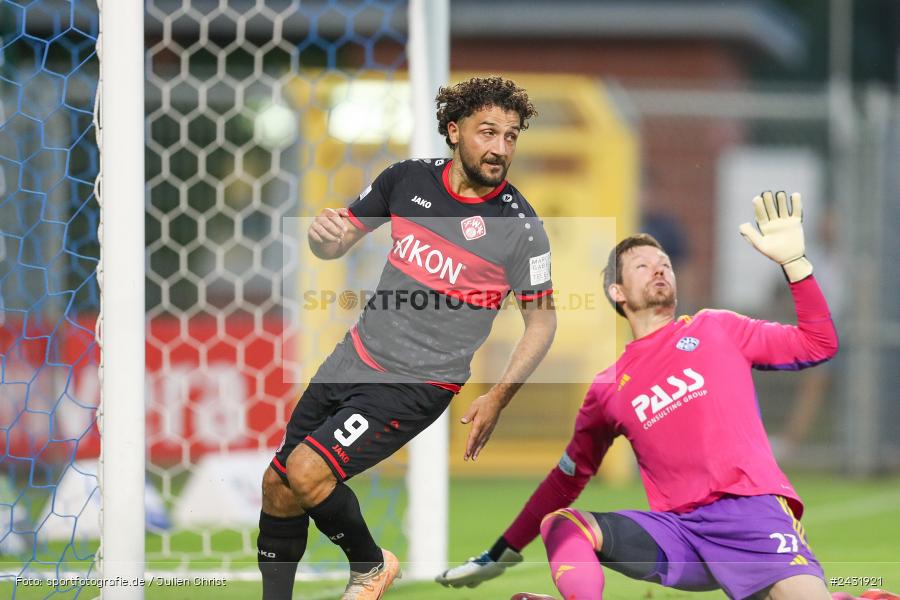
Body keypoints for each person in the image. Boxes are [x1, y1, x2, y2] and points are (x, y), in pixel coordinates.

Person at [437, 192, 898, 600]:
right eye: (642, 265)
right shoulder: (606, 388)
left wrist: (795, 264)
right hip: (680, 534)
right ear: (617, 292)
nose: (659, 268)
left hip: (752, 515)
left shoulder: (717, 328)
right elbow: (565, 479)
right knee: (564, 524)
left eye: (665, 265)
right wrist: (500, 552)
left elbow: (819, 344)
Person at [257, 76, 557, 600]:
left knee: (306, 473)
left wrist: (499, 394)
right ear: (453, 130)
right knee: (278, 486)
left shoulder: (521, 227)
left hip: (417, 382)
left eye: (510, 136)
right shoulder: (406, 180)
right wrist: (321, 236)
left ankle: (370, 567)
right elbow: (337, 239)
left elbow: (543, 321)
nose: (500, 148)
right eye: (488, 132)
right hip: (355, 356)